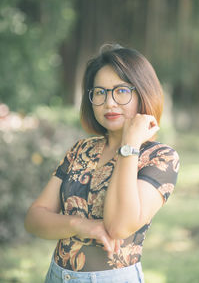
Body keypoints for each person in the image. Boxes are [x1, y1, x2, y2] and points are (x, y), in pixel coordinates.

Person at [24, 44, 180, 283]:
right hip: (56, 275)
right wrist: (81, 225)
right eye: (100, 92)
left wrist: (129, 145)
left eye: (121, 91)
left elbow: (119, 227)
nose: (109, 103)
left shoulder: (161, 158)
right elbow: (34, 219)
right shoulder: (81, 150)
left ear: (143, 93)